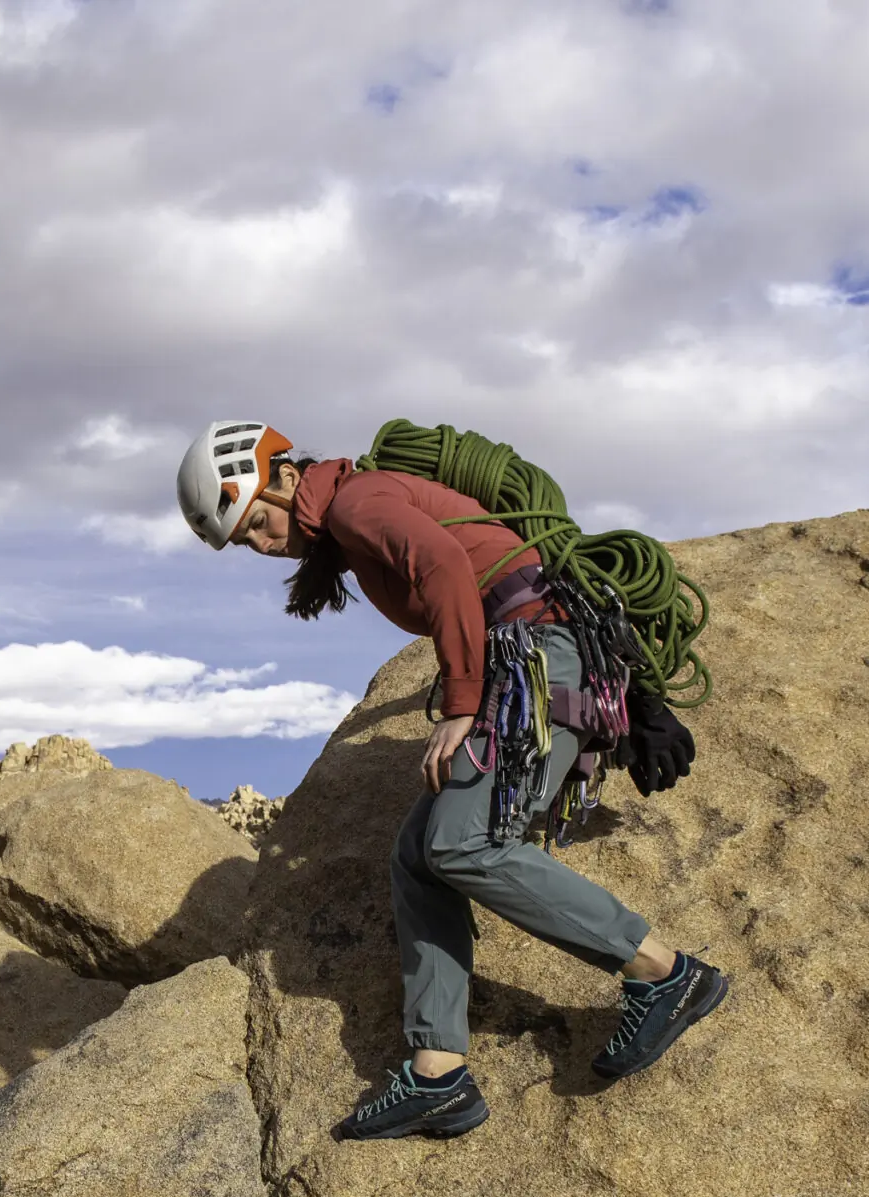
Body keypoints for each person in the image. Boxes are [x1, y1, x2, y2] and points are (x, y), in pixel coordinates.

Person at [177, 419, 726, 1140]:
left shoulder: (354, 502)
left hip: (538, 661)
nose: (261, 545)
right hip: (528, 661)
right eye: (246, 541)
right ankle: (438, 1074)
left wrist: (462, 704)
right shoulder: (351, 511)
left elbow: (445, 568)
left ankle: (663, 971)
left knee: (464, 843)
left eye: (254, 525)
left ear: (280, 476)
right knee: (418, 857)